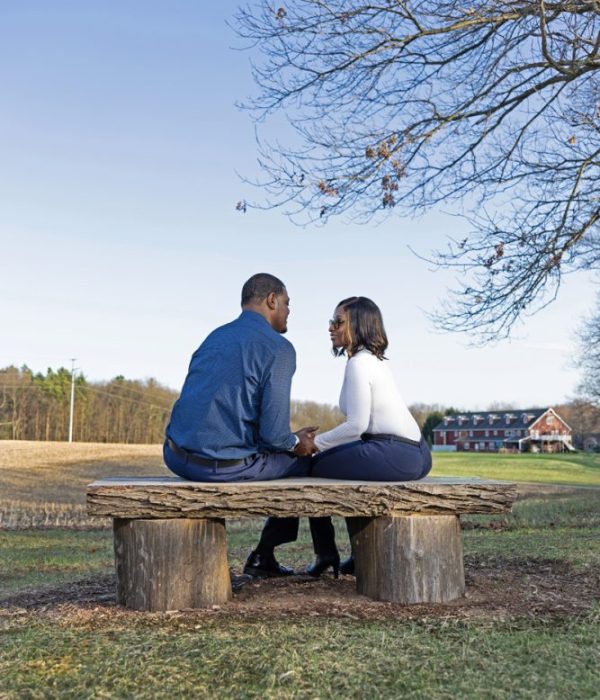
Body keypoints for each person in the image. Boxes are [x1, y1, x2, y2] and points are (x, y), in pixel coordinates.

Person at [163, 272, 317, 578]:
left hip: (175, 456)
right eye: (287, 303)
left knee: (283, 451)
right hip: (219, 466)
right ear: (272, 300)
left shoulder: (215, 337)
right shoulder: (279, 348)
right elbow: (275, 435)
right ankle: (266, 555)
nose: (289, 311)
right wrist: (297, 444)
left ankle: (270, 555)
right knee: (306, 462)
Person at [305, 296, 432, 577]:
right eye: (331, 322)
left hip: (396, 453)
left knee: (310, 467)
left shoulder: (359, 364)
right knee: (344, 466)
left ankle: (326, 553)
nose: (331, 328)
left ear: (359, 325)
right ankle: (353, 554)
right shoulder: (371, 361)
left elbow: (356, 426)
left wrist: (316, 444)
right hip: (415, 453)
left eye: (338, 322)